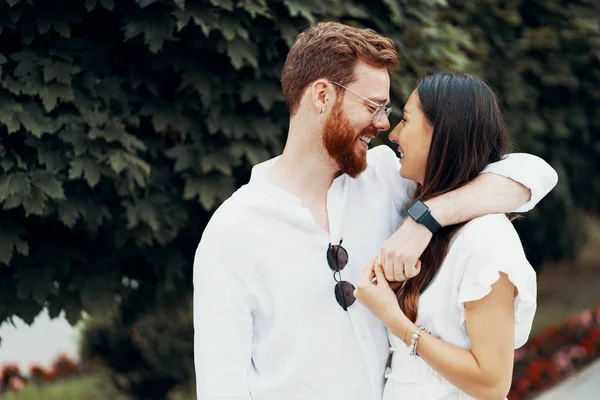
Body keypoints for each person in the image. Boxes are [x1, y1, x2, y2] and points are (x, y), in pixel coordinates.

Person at [193, 22, 557, 400]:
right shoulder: (231, 232)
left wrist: (427, 217)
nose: (383, 125)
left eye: (388, 110)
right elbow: (222, 385)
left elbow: (532, 175)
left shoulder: (387, 176)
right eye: (373, 106)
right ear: (323, 96)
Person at [354, 72, 540, 400]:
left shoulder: (486, 238)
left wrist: (393, 318)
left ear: (442, 135)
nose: (394, 133)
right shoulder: (426, 216)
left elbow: (493, 383)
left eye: (406, 121)